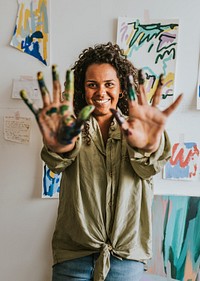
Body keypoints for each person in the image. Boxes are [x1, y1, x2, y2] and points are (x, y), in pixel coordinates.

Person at [20, 42, 182, 281]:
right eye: (92, 84)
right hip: (73, 257)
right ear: (81, 89)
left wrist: (147, 146)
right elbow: (58, 161)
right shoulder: (70, 127)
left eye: (109, 84)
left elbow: (148, 167)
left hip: (126, 259)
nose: (101, 92)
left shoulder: (140, 128)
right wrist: (58, 146)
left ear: (122, 89)